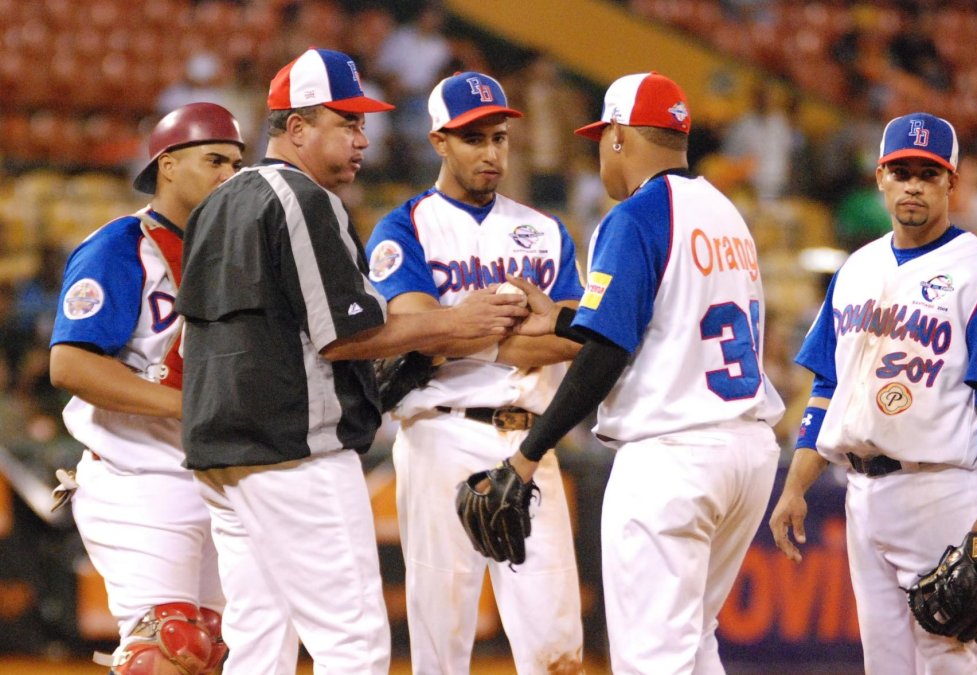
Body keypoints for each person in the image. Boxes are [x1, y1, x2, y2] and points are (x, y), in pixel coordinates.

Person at [173, 49, 528, 674]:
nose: (363, 139)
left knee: (259, 642)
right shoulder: (302, 199)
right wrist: (454, 322)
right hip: (293, 453)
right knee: (354, 643)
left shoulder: (217, 202)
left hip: (220, 452)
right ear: (297, 127)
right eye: (347, 123)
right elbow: (344, 336)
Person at [474, 71, 785, 673]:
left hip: (673, 458)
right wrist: (566, 317)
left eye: (601, 138)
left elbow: (607, 353)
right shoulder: (724, 212)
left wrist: (529, 453)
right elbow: (663, 320)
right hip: (745, 451)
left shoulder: (637, 215)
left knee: (651, 657)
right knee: (694, 640)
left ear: (618, 135)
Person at [769, 113, 977, 673]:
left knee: (952, 660)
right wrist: (795, 486)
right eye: (902, 172)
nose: (913, 185)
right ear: (880, 178)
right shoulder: (855, 269)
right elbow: (828, 388)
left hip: (940, 489)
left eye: (928, 174)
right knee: (883, 662)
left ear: (951, 182)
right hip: (862, 492)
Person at [363, 71, 586, 674]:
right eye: (473, 138)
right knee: (443, 642)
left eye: (499, 137)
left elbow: (577, 339)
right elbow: (416, 327)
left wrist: (465, 330)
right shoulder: (406, 226)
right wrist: (513, 332)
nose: (491, 152)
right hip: (440, 432)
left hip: (530, 443)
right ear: (439, 141)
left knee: (558, 647)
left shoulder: (545, 230)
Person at [47, 102, 245, 673]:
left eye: (236, 164)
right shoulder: (119, 246)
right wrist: (190, 405)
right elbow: (71, 365)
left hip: (222, 476)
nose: (229, 175)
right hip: (138, 474)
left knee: (216, 650)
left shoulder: (239, 252)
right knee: (167, 648)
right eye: (214, 160)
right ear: (168, 165)